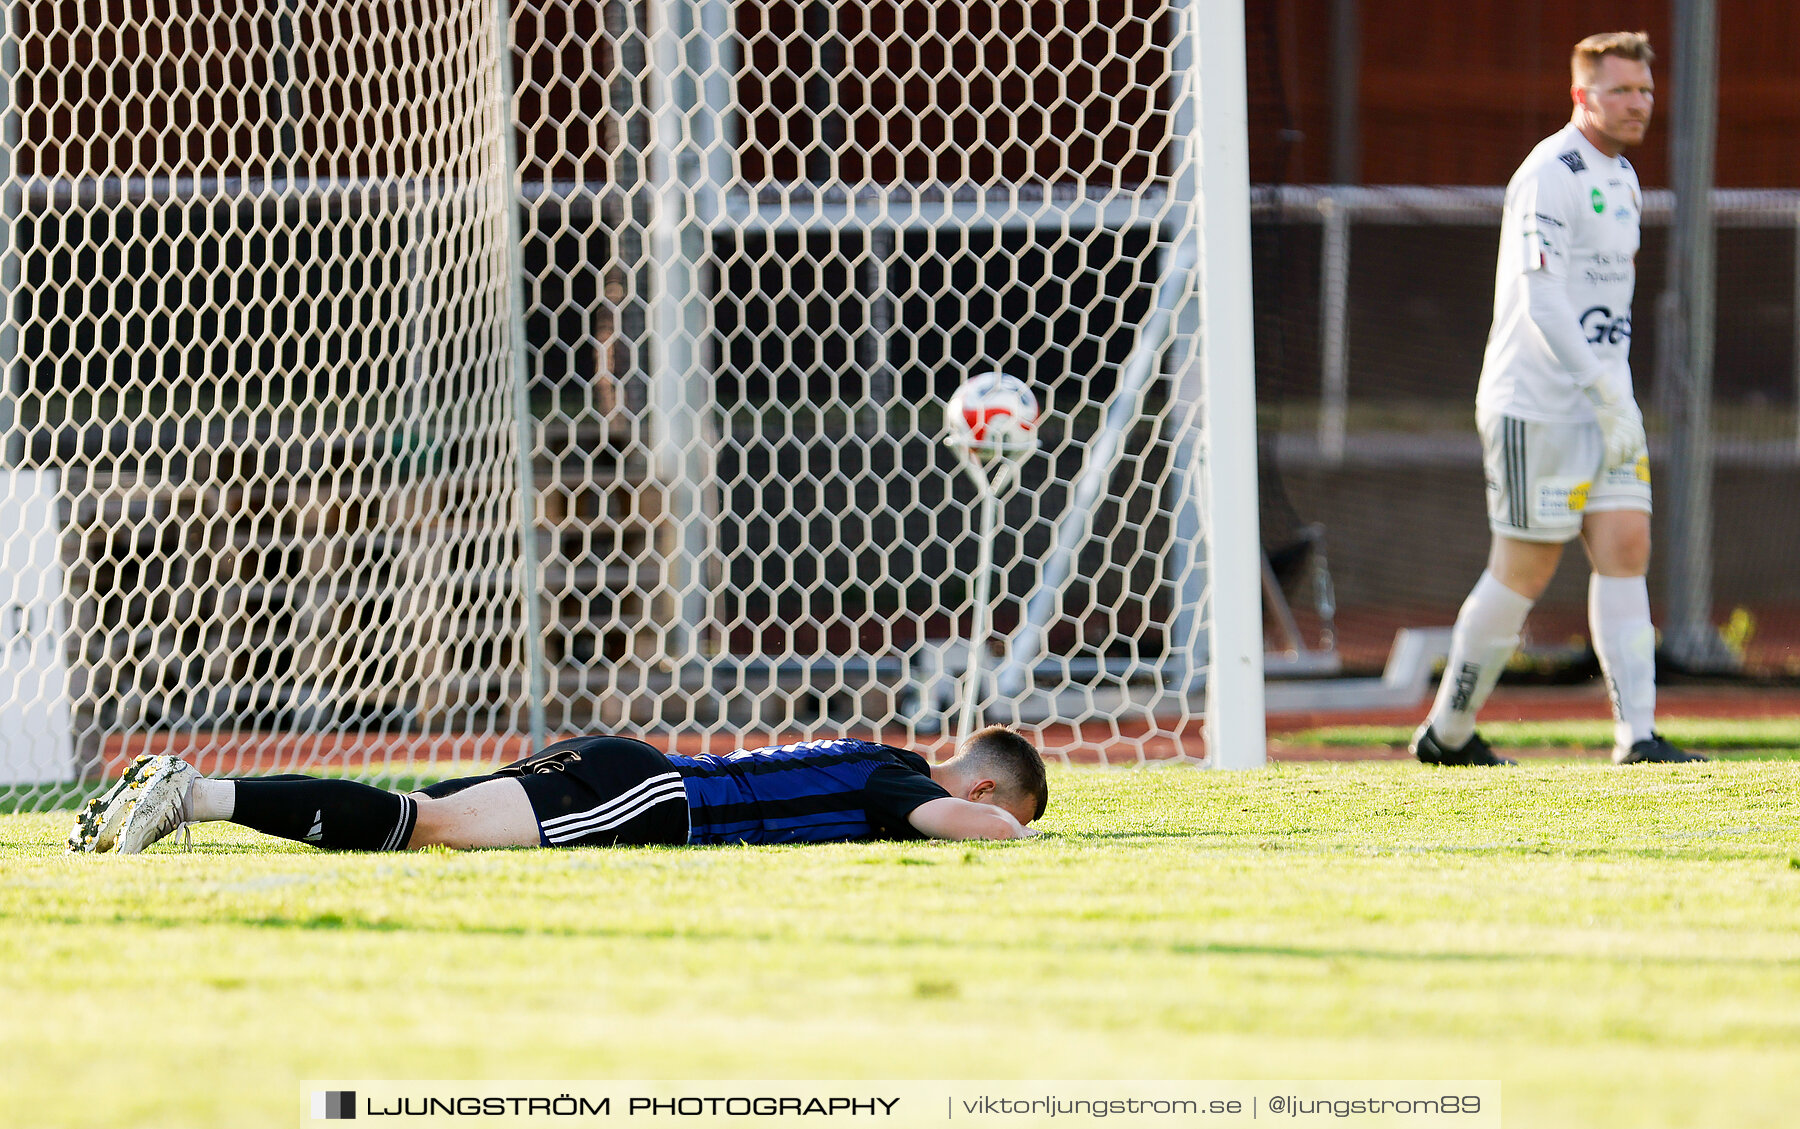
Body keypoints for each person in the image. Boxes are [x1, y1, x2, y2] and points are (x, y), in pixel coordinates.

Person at [1411, 31, 1705, 768]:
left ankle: (1637, 735)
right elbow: (1542, 302)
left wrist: (1615, 397)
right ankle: (1447, 733)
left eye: (1644, 90)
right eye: (1620, 91)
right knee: (1526, 568)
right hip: (1537, 405)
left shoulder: (1627, 175)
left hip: (1606, 404)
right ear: (1582, 95)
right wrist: (1603, 387)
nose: (1637, 103)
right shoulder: (1550, 172)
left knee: (1626, 546)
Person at [67, 724, 1048, 855]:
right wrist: (1020, 838)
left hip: (628, 766)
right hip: (655, 794)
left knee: (422, 824)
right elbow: (966, 827)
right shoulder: (899, 776)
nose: (998, 820)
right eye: (1011, 804)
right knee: (428, 826)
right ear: (993, 783)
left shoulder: (869, 750)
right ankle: (191, 796)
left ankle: (192, 795)